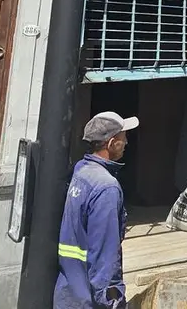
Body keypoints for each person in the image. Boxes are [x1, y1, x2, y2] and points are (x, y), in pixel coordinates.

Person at [54, 111, 139, 309]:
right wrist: (112, 300)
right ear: (111, 143)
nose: (126, 143)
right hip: (88, 300)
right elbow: (105, 256)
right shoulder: (107, 188)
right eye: (123, 138)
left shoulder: (81, 170)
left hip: (69, 294)